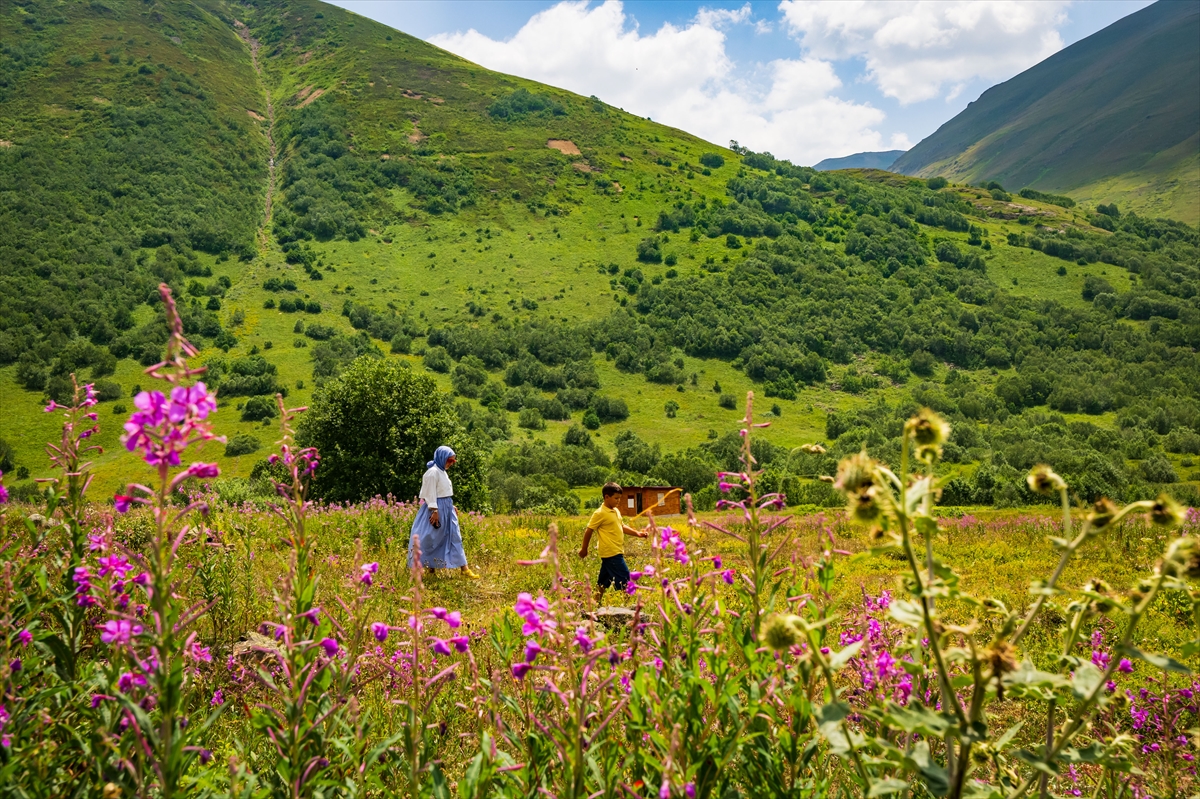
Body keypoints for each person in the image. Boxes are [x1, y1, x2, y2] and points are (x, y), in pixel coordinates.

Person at [408, 445, 479, 579]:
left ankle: (464, 568)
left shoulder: (442, 471)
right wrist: (434, 510)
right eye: (449, 460)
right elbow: (430, 493)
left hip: (446, 507)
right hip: (435, 509)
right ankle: (430, 570)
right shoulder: (432, 472)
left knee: (454, 536)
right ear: (441, 458)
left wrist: (451, 506)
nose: (451, 464)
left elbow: (443, 492)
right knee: (432, 538)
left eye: (453, 461)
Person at [578, 482, 647, 603]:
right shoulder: (599, 513)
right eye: (616, 498)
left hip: (616, 551)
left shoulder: (615, 511)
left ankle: (594, 604)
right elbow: (589, 530)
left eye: (619, 498)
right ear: (606, 497)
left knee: (604, 581)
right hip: (611, 553)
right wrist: (584, 549)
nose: (618, 501)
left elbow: (622, 526)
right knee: (625, 579)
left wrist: (638, 534)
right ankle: (628, 609)